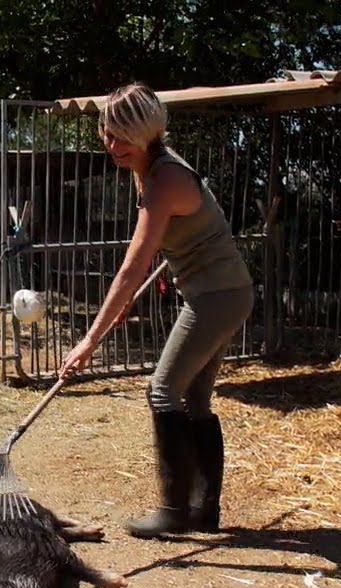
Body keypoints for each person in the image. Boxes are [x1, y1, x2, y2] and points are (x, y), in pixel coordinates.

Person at [58, 83, 254, 538]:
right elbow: (180, 239)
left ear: (148, 135)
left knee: (162, 390)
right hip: (223, 291)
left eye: (122, 137)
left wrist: (89, 339)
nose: (112, 145)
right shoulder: (148, 169)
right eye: (107, 134)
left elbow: (131, 267)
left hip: (216, 297)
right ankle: (205, 511)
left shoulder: (164, 178)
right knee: (196, 399)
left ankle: (174, 510)